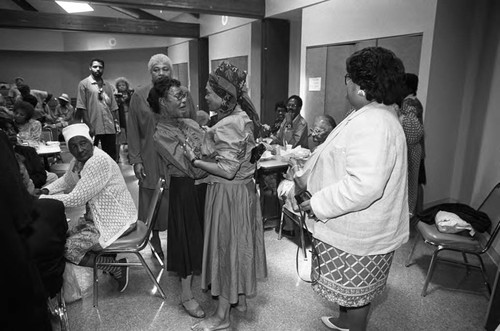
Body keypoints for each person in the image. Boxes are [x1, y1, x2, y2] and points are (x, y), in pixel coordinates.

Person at [297, 47, 409, 331]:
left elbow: (365, 186)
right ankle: (343, 320)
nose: (345, 82)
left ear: (360, 86)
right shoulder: (369, 114)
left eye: (347, 77)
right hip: (352, 228)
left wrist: (318, 203)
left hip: (359, 234)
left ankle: (352, 325)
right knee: (350, 291)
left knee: (356, 294)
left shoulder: (375, 123)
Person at [184, 62, 267, 331]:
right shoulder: (244, 117)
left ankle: (222, 316)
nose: (205, 96)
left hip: (228, 197)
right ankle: (239, 298)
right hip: (243, 193)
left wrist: (195, 160)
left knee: (226, 248)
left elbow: (228, 169)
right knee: (239, 245)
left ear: (224, 96)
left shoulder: (229, 124)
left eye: (209, 92)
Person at [39, 123, 137, 292]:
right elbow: (67, 180)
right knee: (63, 237)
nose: (79, 149)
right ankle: (108, 260)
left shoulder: (97, 161)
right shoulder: (79, 161)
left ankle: (115, 267)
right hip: (99, 219)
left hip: (117, 220)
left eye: (82, 143)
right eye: (73, 146)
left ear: (91, 141)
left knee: (66, 248)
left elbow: (77, 198)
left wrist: (42, 199)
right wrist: (46, 190)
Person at [127, 53, 197, 260]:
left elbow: (193, 123)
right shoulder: (139, 95)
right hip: (150, 157)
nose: (161, 73)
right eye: (156, 69)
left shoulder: (183, 93)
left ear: (171, 71)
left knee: (176, 200)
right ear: (150, 72)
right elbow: (132, 130)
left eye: (165, 69)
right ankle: (155, 243)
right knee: (152, 203)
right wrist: (136, 160)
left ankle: (180, 243)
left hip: (178, 158)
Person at [148, 76, 208, 318]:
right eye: (178, 96)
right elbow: (193, 168)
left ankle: (209, 279)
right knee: (187, 240)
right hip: (185, 189)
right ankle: (186, 295)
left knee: (206, 235)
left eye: (184, 94)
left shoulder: (189, 123)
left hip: (206, 186)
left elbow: (205, 153)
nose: (185, 99)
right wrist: (211, 157)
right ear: (163, 102)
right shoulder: (160, 134)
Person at [76, 58, 119, 161]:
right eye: (95, 67)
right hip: (93, 126)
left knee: (110, 157)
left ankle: (111, 176)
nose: (98, 69)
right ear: (90, 68)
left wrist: (116, 123)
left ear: (103, 69)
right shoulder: (84, 84)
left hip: (109, 127)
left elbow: (113, 106)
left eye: (100, 67)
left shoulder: (107, 85)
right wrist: (89, 126)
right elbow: (82, 107)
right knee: (91, 156)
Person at [0, 116, 57, 190]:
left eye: (12, 129)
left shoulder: (29, 151)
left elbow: (41, 175)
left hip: (30, 188)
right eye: (5, 131)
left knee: (52, 179)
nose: (11, 133)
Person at [400, 73, 425, 219]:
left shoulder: (409, 103)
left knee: (410, 182)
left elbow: (413, 132)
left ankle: (410, 213)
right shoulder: (414, 101)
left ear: (407, 87)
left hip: (412, 149)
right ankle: (415, 213)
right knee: (416, 182)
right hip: (417, 149)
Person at [114, 77, 134, 160]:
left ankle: (132, 155)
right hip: (120, 118)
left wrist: (128, 99)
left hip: (131, 116)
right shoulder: (116, 95)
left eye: (123, 85)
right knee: (119, 137)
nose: (121, 86)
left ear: (127, 85)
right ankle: (116, 156)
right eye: (119, 85)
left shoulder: (131, 94)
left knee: (131, 136)